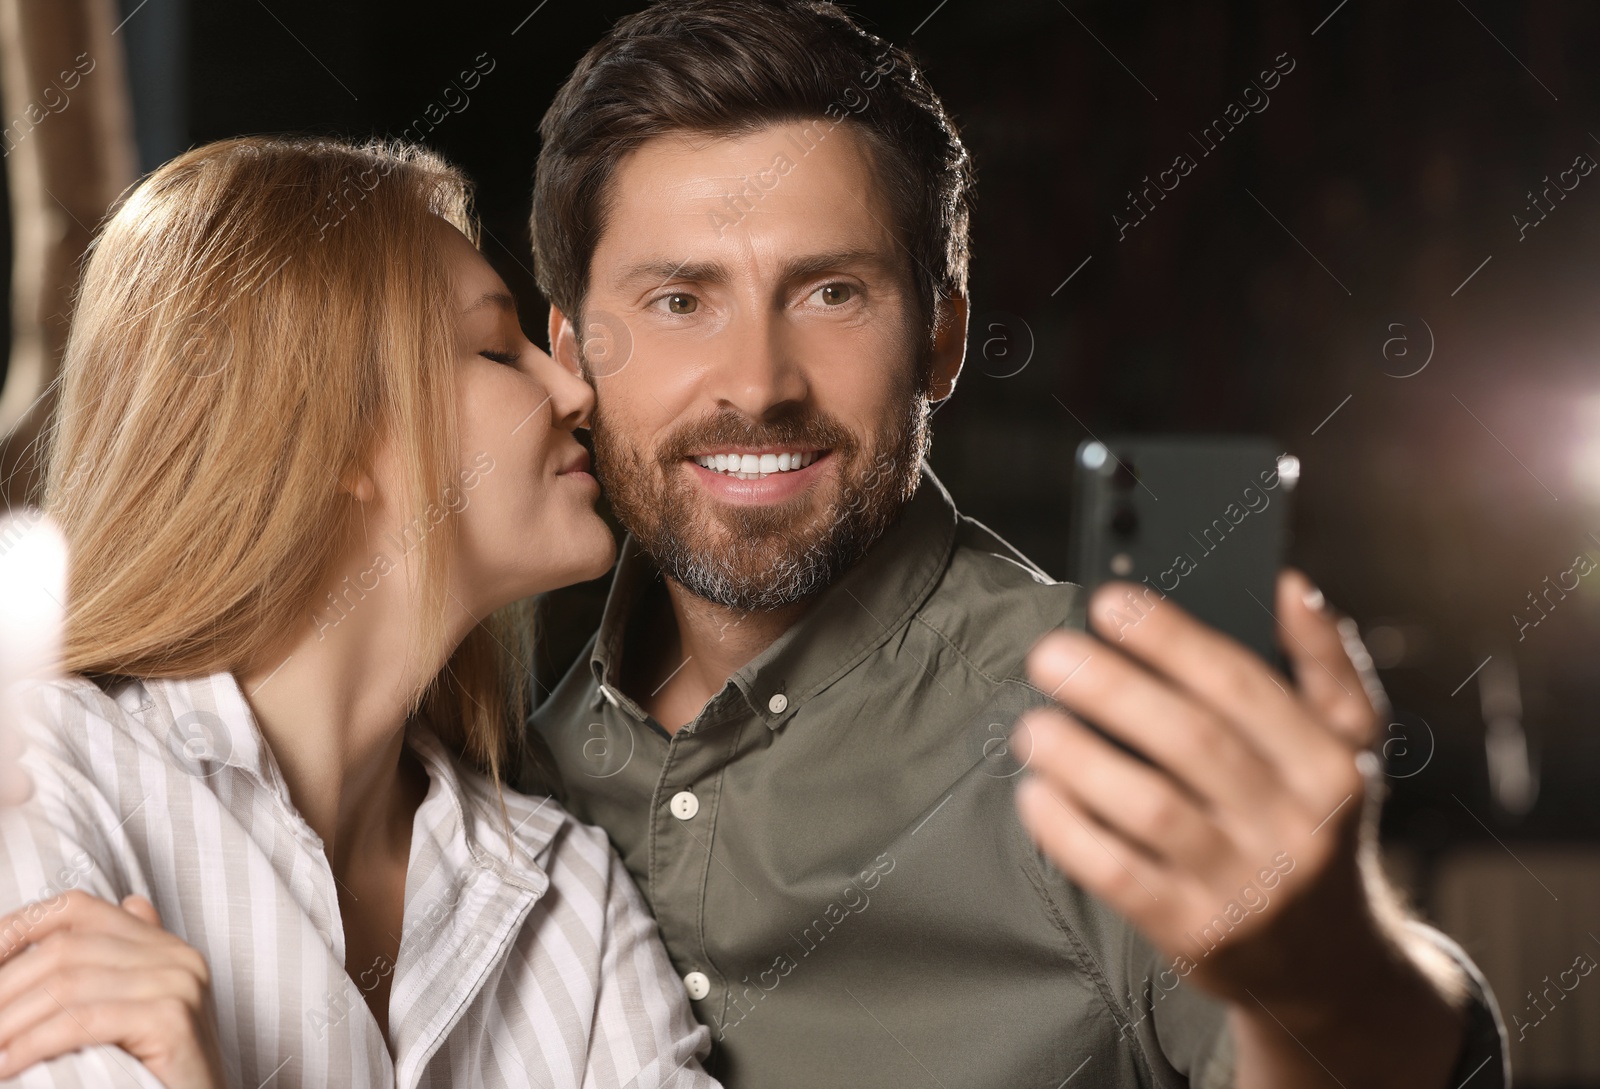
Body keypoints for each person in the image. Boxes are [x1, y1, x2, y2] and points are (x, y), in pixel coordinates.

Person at [522, 2, 1508, 1086]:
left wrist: (1330, 976)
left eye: (832, 292)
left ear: (940, 339)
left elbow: (1354, 1049)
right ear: (573, 351)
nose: (758, 384)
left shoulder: (1110, 718)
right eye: (678, 300)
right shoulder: (496, 759)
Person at [0, 137, 714, 1088]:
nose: (575, 389)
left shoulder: (571, 898)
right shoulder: (34, 777)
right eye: (499, 348)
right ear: (329, 424)